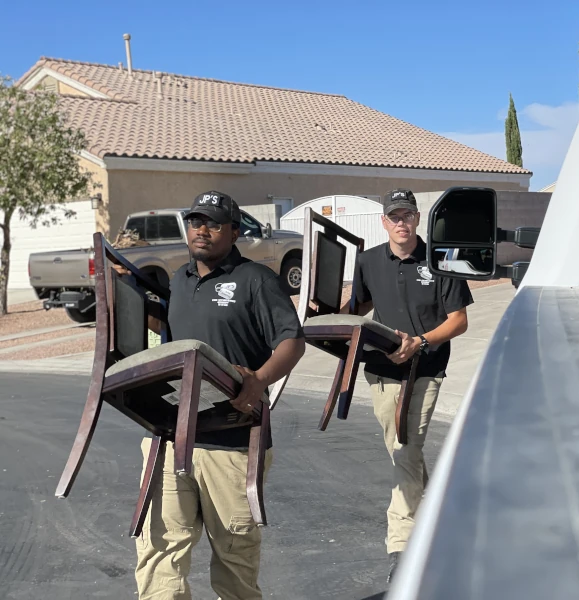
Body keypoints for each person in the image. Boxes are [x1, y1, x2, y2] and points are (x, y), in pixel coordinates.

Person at [116, 191, 305, 599]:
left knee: (235, 563)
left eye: (214, 223)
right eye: (196, 222)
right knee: (157, 552)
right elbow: (161, 340)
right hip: (170, 436)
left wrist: (258, 380)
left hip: (233, 442)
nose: (202, 231)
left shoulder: (257, 279)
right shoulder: (178, 281)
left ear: (234, 231)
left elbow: (292, 341)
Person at [347, 188, 473, 583]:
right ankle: (439, 521)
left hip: (427, 369)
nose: (401, 223)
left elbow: (459, 320)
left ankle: (402, 546)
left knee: (406, 448)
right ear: (384, 222)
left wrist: (421, 342)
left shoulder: (442, 259)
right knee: (406, 455)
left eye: (407, 215)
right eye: (394, 217)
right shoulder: (367, 262)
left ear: (418, 219)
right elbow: (357, 308)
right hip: (382, 374)